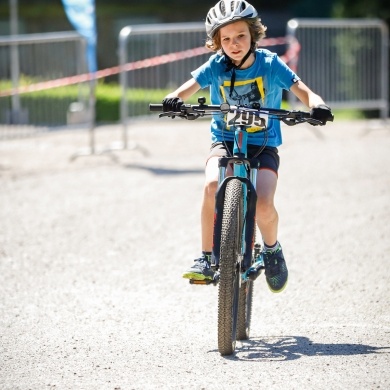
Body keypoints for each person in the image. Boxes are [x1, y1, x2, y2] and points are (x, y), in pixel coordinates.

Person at [162, 0, 333, 293]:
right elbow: (189, 86)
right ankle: (206, 258)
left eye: (240, 35)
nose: (233, 44)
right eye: (225, 39)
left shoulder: (269, 64)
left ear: (253, 34)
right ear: (217, 42)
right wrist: (174, 97)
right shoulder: (217, 65)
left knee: (264, 204)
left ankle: (271, 248)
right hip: (226, 140)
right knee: (211, 185)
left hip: (262, 144)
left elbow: (302, 90)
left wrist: (316, 104)